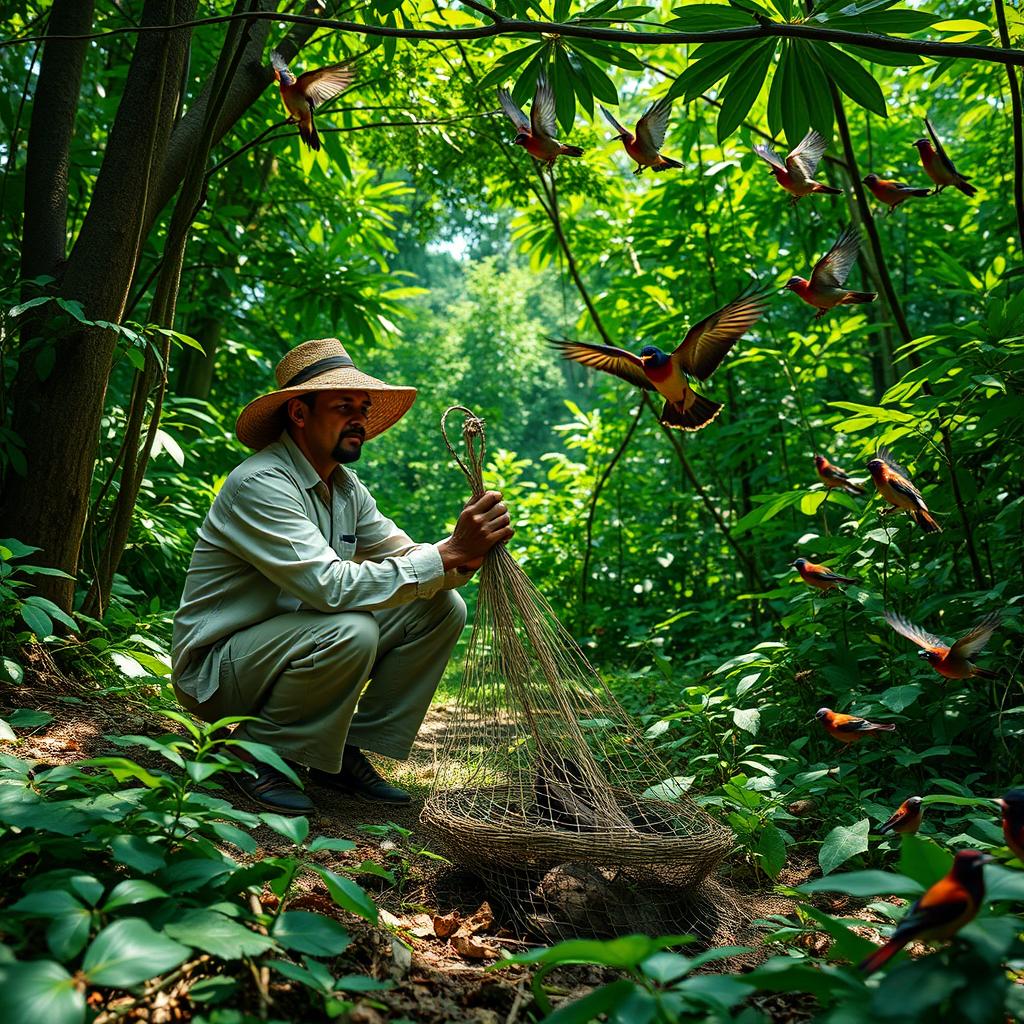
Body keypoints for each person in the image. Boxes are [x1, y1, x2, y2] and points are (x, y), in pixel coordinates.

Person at [171, 338, 512, 815]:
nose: (360, 419)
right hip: (219, 673)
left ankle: (338, 752)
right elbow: (328, 588)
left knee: (439, 608)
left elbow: (407, 556)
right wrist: (449, 552)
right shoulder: (261, 483)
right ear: (299, 414)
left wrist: (464, 556)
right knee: (350, 629)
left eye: (363, 407)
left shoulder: (346, 488)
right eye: (343, 406)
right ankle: (252, 752)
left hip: (290, 645)